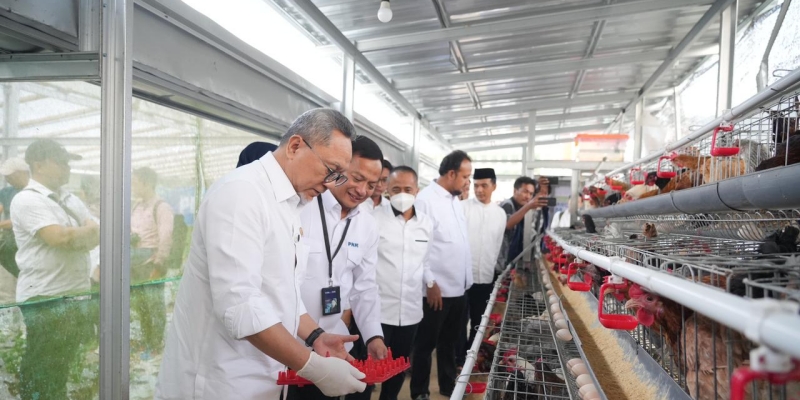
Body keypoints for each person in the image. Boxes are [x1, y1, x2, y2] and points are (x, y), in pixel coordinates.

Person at [155, 109, 367, 400]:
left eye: (338, 176)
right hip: (218, 383)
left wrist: (316, 336)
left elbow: (282, 292)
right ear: (295, 146)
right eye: (330, 170)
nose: (331, 184)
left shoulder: (289, 205)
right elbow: (240, 305)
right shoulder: (242, 193)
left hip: (261, 379)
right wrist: (313, 367)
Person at [289, 136, 386, 400]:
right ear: (339, 168)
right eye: (357, 178)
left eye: (371, 185)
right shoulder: (302, 207)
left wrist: (373, 336)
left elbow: (364, 287)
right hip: (289, 344)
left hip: (334, 344)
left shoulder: (367, 225)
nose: (362, 190)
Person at [11, 139, 99, 400]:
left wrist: (79, 234)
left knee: (60, 364)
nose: (67, 167)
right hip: (45, 298)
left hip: (73, 295)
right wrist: (82, 233)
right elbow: (59, 237)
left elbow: (95, 233)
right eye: (60, 162)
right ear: (38, 165)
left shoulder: (69, 198)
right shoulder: (27, 199)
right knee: (42, 366)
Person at [410, 150, 473, 400]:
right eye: (465, 176)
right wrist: (430, 282)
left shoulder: (455, 200)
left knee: (449, 342)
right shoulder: (425, 200)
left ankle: (448, 386)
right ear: (451, 174)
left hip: (459, 287)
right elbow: (418, 245)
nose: (468, 182)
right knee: (425, 344)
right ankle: (419, 392)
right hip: (436, 289)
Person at [373, 166, 432, 400]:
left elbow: (425, 260)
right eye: (396, 189)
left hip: (410, 310)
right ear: (387, 190)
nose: (402, 194)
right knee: (369, 368)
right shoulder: (374, 219)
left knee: (398, 366)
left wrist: (431, 282)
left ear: (417, 190)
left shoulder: (426, 223)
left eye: (408, 189)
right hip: (378, 309)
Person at [130, 167, 174, 355]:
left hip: (151, 261)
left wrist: (159, 263)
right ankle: (146, 339)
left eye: (135, 182)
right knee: (141, 306)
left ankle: (156, 343)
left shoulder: (162, 207)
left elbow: (166, 236)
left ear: (146, 183)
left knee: (154, 304)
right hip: (135, 261)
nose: (132, 186)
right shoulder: (136, 206)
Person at [461, 168, 507, 351]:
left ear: (493, 186)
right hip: (462, 278)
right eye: (476, 185)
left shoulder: (500, 214)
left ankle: (472, 354)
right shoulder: (462, 208)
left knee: (479, 321)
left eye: (484, 185)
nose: (479, 190)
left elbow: (497, 245)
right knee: (458, 322)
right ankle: (458, 358)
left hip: (486, 276)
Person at [499, 176, 549, 265]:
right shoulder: (508, 205)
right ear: (515, 191)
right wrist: (528, 206)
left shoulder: (522, 208)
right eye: (525, 192)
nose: (528, 197)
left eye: (531, 194)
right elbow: (507, 224)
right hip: (501, 261)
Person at [0, 157, 30, 300]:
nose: (7, 179)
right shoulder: (6, 192)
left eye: (10, 175)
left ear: (22, 172)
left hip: (25, 242)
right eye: (6, 176)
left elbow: (19, 221)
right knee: (9, 282)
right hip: (10, 242)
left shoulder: (32, 192)